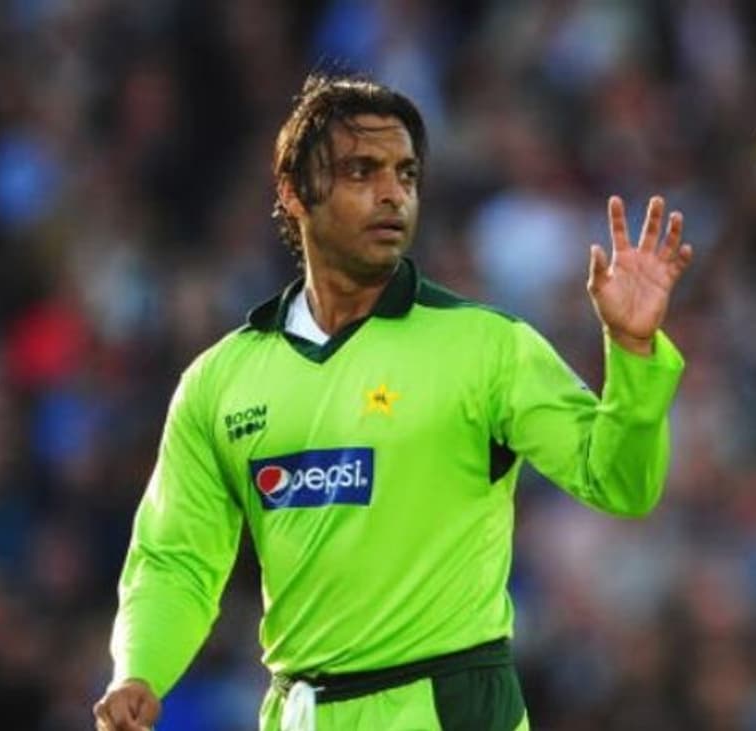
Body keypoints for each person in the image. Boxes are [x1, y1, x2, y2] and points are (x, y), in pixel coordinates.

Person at [93, 72, 694, 731]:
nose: (392, 194)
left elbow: (621, 482)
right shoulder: (222, 379)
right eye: (362, 171)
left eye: (406, 174)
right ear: (293, 191)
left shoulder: (488, 347)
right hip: (300, 712)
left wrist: (632, 351)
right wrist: (140, 671)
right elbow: (177, 559)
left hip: (449, 709)